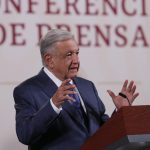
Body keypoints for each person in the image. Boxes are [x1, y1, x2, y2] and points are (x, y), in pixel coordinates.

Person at [13, 29, 139, 150]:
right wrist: (53, 104)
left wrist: (120, 112)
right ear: (49, 60)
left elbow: (103, 130)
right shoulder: (27, 90)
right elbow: (25, 134)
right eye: (69, 55)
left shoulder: (87, 86)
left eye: (77, 53)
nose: (76, 61)